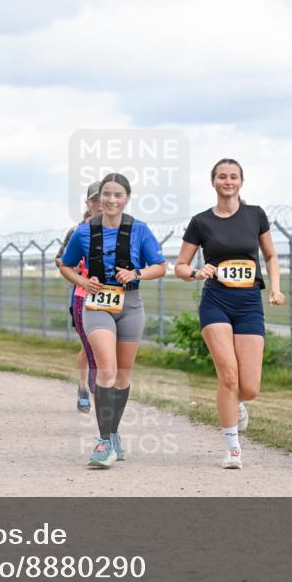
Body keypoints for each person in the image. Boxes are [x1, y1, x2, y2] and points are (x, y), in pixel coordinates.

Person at [174, 158, 284, 469]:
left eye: (233, 176)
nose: (228, 181)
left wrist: (275, 288)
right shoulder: (201, 221)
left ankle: (235, 402)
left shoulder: (255, 215)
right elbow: (179, 266)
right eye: (222, 176)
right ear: (213, 182)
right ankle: (232, 447)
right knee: (228, 375)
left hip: (249, 302)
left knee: (249, 387)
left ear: (241, 181)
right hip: (216, 301)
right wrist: (196, 272)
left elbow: (271, 255)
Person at [59, 173, 167, 468]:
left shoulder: (140, 230)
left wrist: (136, 274)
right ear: (99, 199)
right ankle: (103, 442)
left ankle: (113, 432)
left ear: (126, 198)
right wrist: (83, 280)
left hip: (130, 305)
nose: (111, 200)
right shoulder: (84, 232)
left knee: (122, 377)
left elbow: (160, 266)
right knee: (106, 371)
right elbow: (65, 266)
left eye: (117, 195)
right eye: (106, 194)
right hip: (97, 304)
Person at [55, 181, 101, 412]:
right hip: (83, 294)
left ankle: (101, 386)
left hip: (111, 296)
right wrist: (80, 273)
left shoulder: (120, 230)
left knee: (99, 343)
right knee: (88, 343)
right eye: (96, 201)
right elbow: (60, 259)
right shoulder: (77, 231)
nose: (101, 205)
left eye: (104, 199)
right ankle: (85, 386)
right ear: (88, 203)